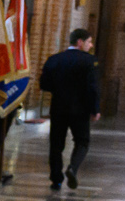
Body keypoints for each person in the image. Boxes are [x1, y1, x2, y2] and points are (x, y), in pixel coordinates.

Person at [39, 28, 101, 190]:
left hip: (58, 107)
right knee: (82, 141)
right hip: (80, 110)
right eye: (89, 41)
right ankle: (72, 168)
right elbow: (93, 87)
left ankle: (56, 179)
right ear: (80, 42)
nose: (91, 45)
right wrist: (95, 109)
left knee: (56, 145)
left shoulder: (54, 59)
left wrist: (59, 90)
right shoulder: (89, 61)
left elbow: (44, 84)